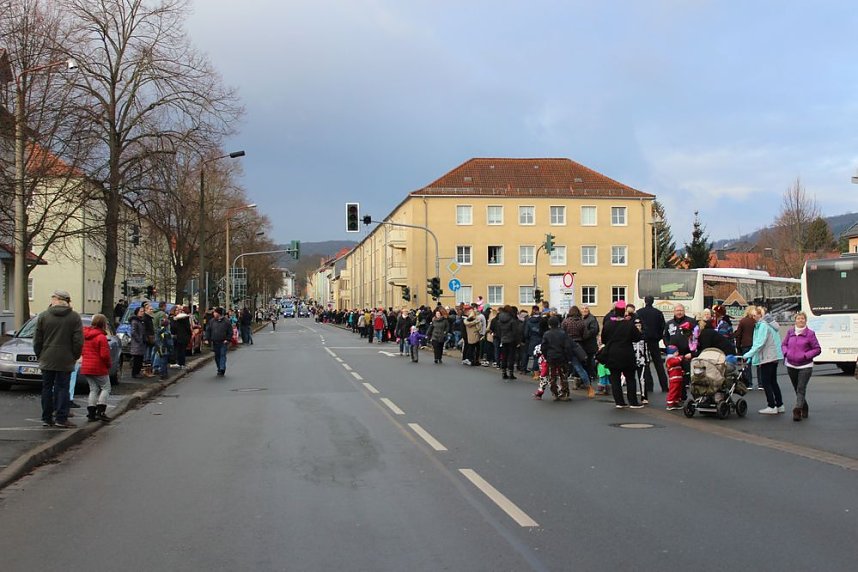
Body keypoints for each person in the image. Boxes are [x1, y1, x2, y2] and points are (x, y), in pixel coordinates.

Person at [33, 290, 84, 428]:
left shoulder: (43, 316)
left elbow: (37, 340)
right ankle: (61, 418)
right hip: (66, 358)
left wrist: (40, 355)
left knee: (47, 388)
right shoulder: (74, 317)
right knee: (62, 388)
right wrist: (75, 355)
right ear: (66, 301)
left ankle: (46, 418)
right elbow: (78, 340)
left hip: (47, 357)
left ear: (56, 300)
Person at [600, 300, 643, 408]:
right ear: (624, 311)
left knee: (615, 379)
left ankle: (619, 402)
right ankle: (633, 402)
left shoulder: (608, 324)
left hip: (612, 354)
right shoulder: (628, 324)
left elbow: (604, 340)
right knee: (630, 378)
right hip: (626, 354)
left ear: (615, 311)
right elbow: (637, 338)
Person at [742, 307, 785, 415]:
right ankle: (779, 405)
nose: (752, 318)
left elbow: (759, 343)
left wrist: (748, 354)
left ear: (759, 315)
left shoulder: (762, 326)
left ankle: (771, 405)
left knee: (766, 382)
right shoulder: (768, 325)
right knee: (773, 382)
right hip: (773, 356)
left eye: (753, 315)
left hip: (767, 357)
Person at [781, 311, 822, 421]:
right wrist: (786, 353)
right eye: (798, 318)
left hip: (805, 365)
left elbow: (817, 349)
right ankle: (805, 406)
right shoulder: (790, 332)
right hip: (791, 364)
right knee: (797, 388)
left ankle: (797, 410)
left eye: (802, 319)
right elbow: (784, 344)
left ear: (805, 320)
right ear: (795, 320)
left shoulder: (810, 334)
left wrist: (805, 355)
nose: (800, 320)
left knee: (801, 388)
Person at [80, 313, 112, 423]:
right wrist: (108, 364)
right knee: (106, 388)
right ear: (103, 324)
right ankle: (101, 411)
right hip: (98, 366)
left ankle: (91, 413)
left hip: (87, 366)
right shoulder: (101, 337)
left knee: (93, 389)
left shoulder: (85, 335)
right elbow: (104, 355)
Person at [636, 295, 668, 393]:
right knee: (658, 364)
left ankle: (649, 386)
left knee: (645, 363)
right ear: (653, 302)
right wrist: (658, 337)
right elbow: (662, 327)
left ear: (645, 301)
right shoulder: (658, 313)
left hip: (643, 340)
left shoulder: (639, 312)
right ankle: (664, 386)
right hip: (654, 340)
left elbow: (637, 326)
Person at [540, 316, 575, 400]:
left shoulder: (547, 334)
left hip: (551, 357)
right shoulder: (563, 333)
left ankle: (555, 393)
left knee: (552, 376)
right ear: (558, 324)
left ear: (549, 325)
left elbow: (543, 347)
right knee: (563, 375)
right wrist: (569, 358)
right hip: (561, 357)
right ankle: (565, 393)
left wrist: (546, 356)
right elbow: (567, 347)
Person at [734, 306, 758, 390]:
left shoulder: (743, 321)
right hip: (756, 344)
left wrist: (738, 347)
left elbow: (738, 335)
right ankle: (761, 383)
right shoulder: (756, 322)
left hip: (745, 344)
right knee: (758, 364)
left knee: (747, 365)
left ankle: (748, 383)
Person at [496, 305, 522, 380]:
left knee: (504, 356)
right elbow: (515, 332)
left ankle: (504, 373)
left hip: (503, 339)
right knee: (511, 357)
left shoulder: (500, 319)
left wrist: (501, 337)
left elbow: (498, 331)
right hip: (511, 340)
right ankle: (511, 373)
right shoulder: (512, 320)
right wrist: (518, 341)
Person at [205, 307, 232, 376]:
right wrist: (206, 339)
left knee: (222, 354)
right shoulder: (212, 321)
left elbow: (230, 332)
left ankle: (222, 368)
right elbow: (208, 330)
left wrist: (227, 339)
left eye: (215, 312)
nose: (213, 314)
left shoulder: (226, 321)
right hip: (215, 341)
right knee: (217, 356)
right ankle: (219, 368)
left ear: (218, 313)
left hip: (223, 341)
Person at [665, 345, 686, 410]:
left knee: (678, 391)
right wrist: (681, 357)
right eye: (676, 352)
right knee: (673, 391)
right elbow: (675, 362)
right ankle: (670, 403)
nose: (678, 353)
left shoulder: (675, 359)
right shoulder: (670, 360)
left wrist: (682, 371)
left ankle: (676, 402)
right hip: (674, 379)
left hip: (678, 378)